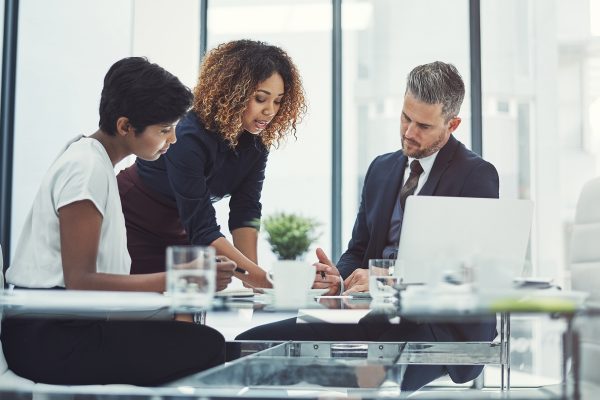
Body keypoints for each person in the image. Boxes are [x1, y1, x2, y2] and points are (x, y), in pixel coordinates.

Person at [237, 61, 499, 391]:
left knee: (363, 378)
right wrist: (340, 280)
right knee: (249, 350)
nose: (408, 132)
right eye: (405, 117)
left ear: (453, 124)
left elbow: (473, 271)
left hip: (439, 328)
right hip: (378, 318)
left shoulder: (476, 175)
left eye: (423, 125)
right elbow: (359, 249)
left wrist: (388, 278)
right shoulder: (381, 169)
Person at [1, 57, 230, 385]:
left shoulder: (92, 159)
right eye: (164, 130)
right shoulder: (86, 169)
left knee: (188, 333)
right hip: (50, 339)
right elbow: (81, 280)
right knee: (205, 346)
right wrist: (178, 277)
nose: (173, 140)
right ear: (125, 126)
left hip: (66, 324)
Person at [117, 40, 307, 288]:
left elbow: (246, 212)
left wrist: (255, 283)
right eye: (261, 99)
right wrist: (266, 282)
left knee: (187, 316)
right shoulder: (187, 137)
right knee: (147, 314)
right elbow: (203, 230)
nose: (270, 111)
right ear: (232, 92)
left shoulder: (256, 143)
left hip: (184, 231)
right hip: (134, 221)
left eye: (278, 101)